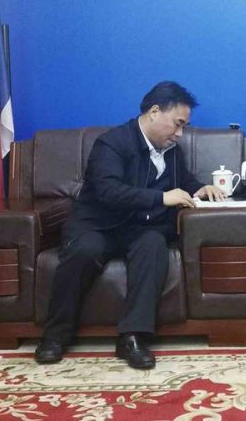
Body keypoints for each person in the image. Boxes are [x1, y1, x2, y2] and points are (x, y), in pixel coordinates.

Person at [35, 81, 225, 369]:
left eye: (184, 127)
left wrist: (200, 188)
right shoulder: (112, 143)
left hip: (139, 228)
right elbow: (108, 191)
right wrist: (162, 198)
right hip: (97, 225)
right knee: (84, 251)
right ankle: (55, 336)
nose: (180, 133)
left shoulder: (171, 150)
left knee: (153, 245)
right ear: (154, 112)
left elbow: (183, 181)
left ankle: (133, 337)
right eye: (177, 124)